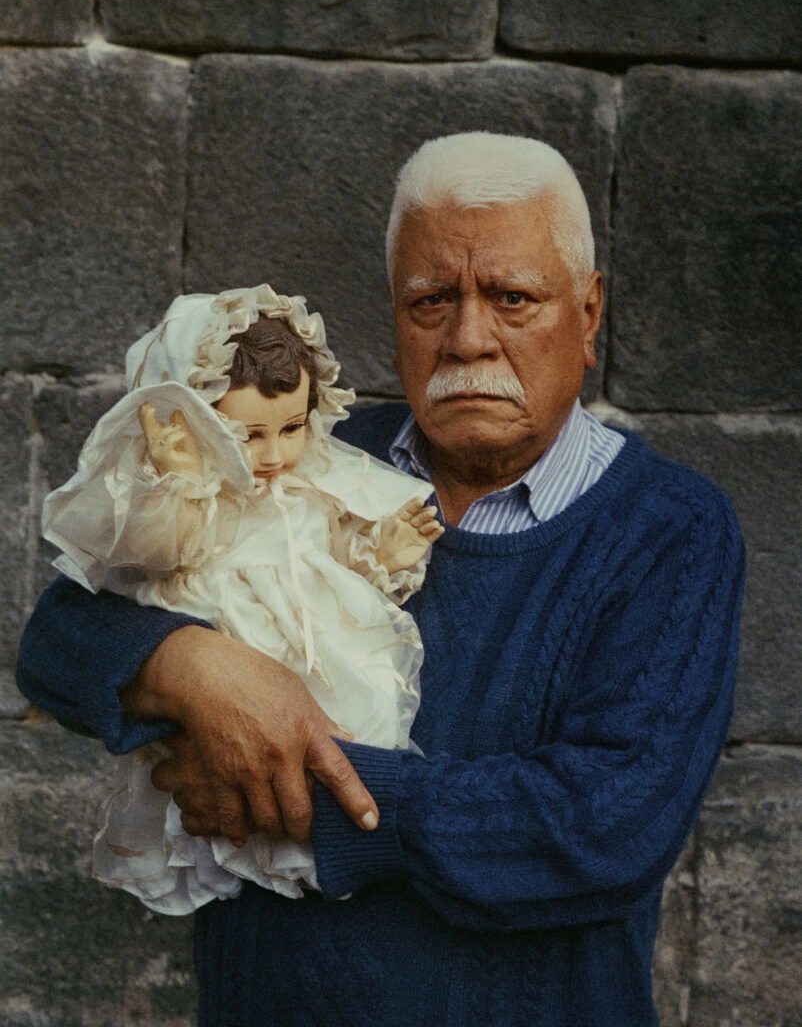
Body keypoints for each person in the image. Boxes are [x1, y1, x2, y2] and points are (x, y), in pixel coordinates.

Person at [18, 132, 744, 1026]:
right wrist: (192, 669)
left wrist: (306, 796)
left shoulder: (668, 529)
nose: (468, 336)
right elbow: (57, 638)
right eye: (431, 300)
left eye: (513, 298)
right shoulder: (298, 456)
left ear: (588, 316)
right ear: (395, 313)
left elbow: (603, 824)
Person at [40, 284, 441, 913]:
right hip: (229, 654)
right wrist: (170, 478)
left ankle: (321, 843)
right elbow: (147, 553)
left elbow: (337, 560)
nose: (277, 455)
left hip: (324, 648)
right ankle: (242, 854)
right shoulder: (202, 501)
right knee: (230, 778)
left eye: (292, 428)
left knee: (348, 731)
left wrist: (382, 556)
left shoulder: (318, 480)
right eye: (249, 435)